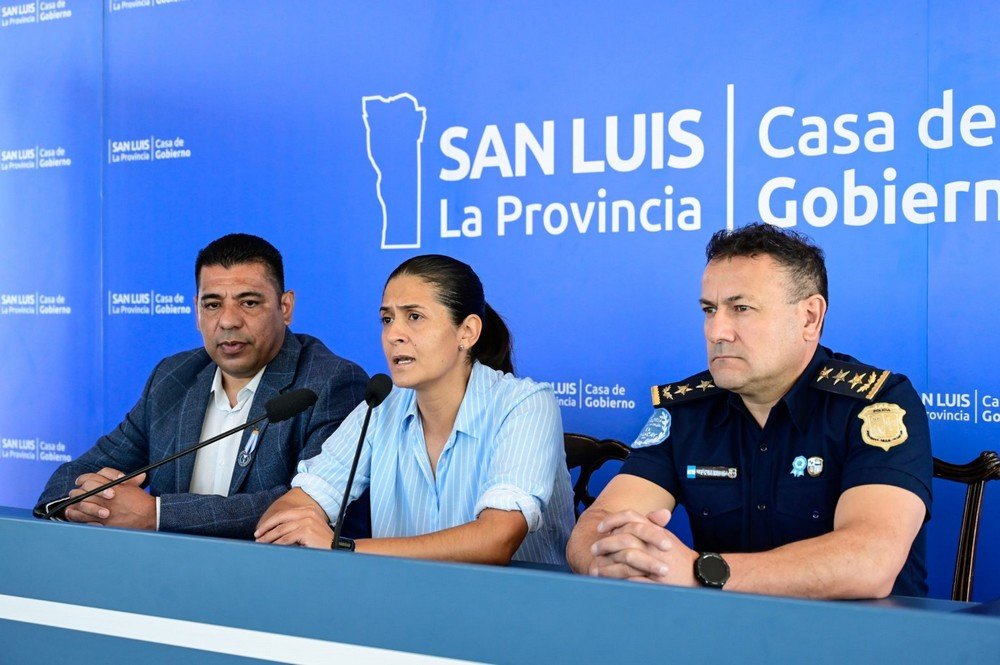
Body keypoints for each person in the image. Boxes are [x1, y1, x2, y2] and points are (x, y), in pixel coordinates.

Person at [566, 223, 932, 598]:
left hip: (861, 632)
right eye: (709, 310)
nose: (716, 332)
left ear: (809, 317)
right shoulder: (687, 410)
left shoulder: (877, 403)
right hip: (721, 629)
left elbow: (870, 560)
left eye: (741, 308)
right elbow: (597, 524)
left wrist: (700, 572)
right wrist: (613, 559)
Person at [35, 233, 369, 539]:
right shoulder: (173, 377)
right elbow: (73, 476)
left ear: (285, 307)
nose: (228, 320)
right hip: (165, 574)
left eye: (249, 302)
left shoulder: (330, 383)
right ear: (197, 310)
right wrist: (86, 503)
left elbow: (304, 504)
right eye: (212, 304)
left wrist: (156, 515)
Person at [255, 254, 575, 565]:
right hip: (401, 596)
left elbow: (496, 539)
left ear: (467, 332)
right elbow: (293, 508)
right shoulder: (380, 407)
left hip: (514, 598)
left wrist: (344, 547)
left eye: (414, 317)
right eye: (387, 319)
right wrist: (292, 522)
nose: (394, 335)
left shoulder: (525, 404)